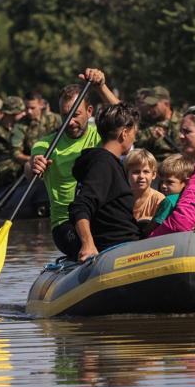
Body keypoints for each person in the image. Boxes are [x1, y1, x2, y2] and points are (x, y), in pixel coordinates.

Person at [27, 69, 120, 245]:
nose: (70, 122)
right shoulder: (46, 145)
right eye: (65, 115)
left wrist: (101, 87)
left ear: (89, 111)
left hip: (100, 218)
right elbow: (30, 169)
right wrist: (33, 164)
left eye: (75, 115)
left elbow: (126, 119)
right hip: (65, 224)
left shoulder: (101, 137)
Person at [61, 102, 142, 261]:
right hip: (117, 249)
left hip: (128, 242)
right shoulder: (103, 164)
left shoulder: (106, 162)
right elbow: (81, 205)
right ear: (124, 133)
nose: (135, 138)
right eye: (134, 133)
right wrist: (88, 244)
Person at [148, 154, 195, 231]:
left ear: (186, 182)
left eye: (169, 182)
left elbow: (154, 226)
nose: (163, 186)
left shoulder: (169, 201)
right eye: (162, 181)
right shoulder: (193, 199)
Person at [13, 91, 63, 164]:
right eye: (26, 108)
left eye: (32, 108)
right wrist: (33, 160)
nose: (29, 111)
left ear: (41, 105)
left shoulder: (55, 119)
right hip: (32, 164)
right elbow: (16, 152)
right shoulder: (20, 125)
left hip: (57, 159)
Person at [135, 86, 182, 162]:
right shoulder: (146, 123)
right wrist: (152, 140)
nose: (151, 109)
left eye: (154, 105)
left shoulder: (183, 121)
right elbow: (137, 146)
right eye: (149, 106)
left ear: (166, 104)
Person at [124, 148, 164, 223]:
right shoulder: (121, 199)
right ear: (127, 174)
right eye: (136, 172)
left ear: (154, 175)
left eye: (146, 171)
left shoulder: (159, 200)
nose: (141, 176)